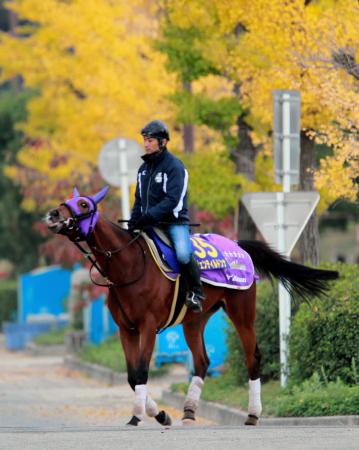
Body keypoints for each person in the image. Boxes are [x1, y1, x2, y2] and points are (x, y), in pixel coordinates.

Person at [128, 120, 205, 313]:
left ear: (163, 142)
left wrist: (149, 216)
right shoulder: (143, 170)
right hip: (148, 223)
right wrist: (133, 221)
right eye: (145, 140)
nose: (146, 144)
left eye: (151, 140)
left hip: (174, 223)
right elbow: (138, 199)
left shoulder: (175, 167)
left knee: (183, 254)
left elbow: (173, 200)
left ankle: (196, 292)